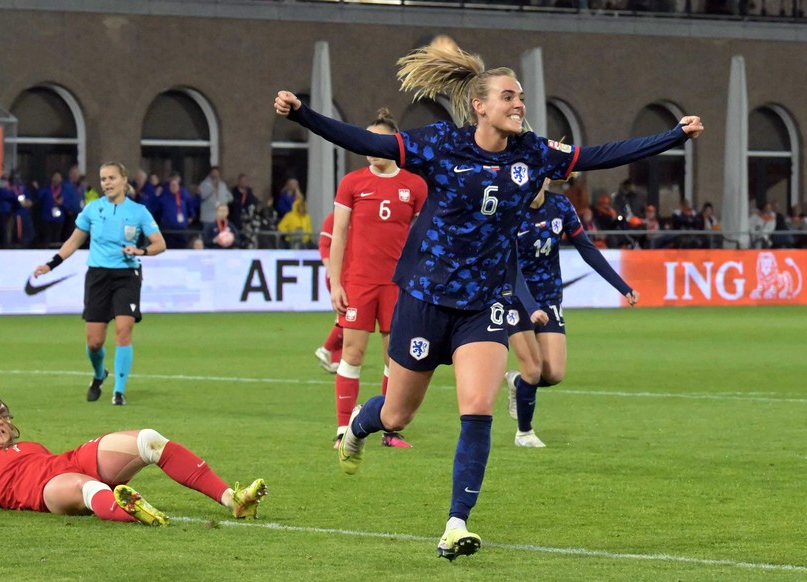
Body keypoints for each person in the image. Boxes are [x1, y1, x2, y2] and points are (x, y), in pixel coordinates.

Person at [275, 41, 703, 560]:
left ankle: (456, 523)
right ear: (480, 105)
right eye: (508, 96)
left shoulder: (534, 153)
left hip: (485, 304)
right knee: (396, 415)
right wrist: (303, 114)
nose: (519, 103)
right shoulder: (440, 145)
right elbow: (364, 141)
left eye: (521, 96)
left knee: (477, 409)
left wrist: (671, 136)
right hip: (426, 298)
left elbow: (599, 155)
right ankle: (357, 431)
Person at [0, 394, 267, 524]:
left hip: (70, 461)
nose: (1, 421)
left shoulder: (30, 445)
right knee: (85, 486)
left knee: (148, 440)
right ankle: (131, 513)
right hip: (45, 491)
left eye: (4, 415)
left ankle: (232, 499)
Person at [504, 177, 639, 448]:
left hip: (549, 296)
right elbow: (512, 266)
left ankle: (517, 383)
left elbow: (587, 250)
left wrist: (622, 287)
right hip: (516, 297)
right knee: (533, 369)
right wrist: (530, 308)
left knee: (553, 373)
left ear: (547, 178)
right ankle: (524, 433)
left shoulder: (561, 206)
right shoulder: (510, 210)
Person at [327, 107, 428, 451]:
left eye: (379, 139)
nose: (372, 146)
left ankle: (388, 430)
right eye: (368, 139)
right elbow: (338, 235)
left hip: (398, 285)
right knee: (352, 355)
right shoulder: (353, 182)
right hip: (359, 282)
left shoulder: (414, 185)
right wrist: (335, 282)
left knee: (394, 359)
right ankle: (343, 429)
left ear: (394, 143)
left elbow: (424, 237)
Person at [33, 162, 166, 406]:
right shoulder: (93, 209)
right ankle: (98, 374)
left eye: (111, 178)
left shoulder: (139, 211)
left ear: (124, 180)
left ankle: (119, 391)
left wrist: (140, 250)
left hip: (127, 276)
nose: (106, 183)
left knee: (123, 331)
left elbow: (160, 244)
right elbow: (73, 242)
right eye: (103, 178)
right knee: (94, 342)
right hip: (98, 277)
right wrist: (50, 264)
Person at [314, 210, 343, 375]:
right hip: (338, 275)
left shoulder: (360, 218)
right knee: (350, 318)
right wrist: (330, 269)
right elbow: (324, 245)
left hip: (352, 274)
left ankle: (336, 361)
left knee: (342, 317)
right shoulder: (333, 218)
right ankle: (325, 349)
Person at [38, 171, 67, 248]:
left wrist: (62, 202)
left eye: (58, 177)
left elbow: (67, 203)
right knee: (47, 237)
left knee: (56, 238)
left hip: (59, 218)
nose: (56, 179)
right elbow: (39, 196)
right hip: (47, 217)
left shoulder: (64, 190)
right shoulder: (46, 189)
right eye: (55, 177)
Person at [229, 173, 259, 237]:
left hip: (247, 221)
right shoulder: (234, 192)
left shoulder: (249, 191)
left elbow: (254, 202)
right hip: (236, 220)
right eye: (242, 181)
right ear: (238, 181)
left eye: (245, 181)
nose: (244, 183)